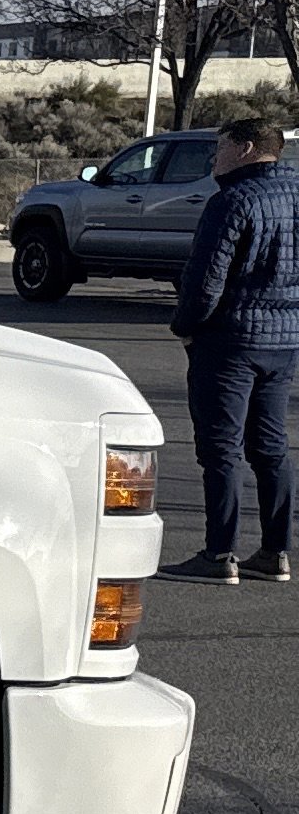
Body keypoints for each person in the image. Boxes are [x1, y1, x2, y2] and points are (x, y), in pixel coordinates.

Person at [165, 117, 298, 586]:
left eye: (220, 148)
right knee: (271, 446)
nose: (213, 158)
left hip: (230, 340)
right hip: (284, 339)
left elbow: (206, 279)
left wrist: (186, 327)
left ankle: (220, 553)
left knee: (221, 449)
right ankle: (276, 550)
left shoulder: (234, 200)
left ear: (244, 148)